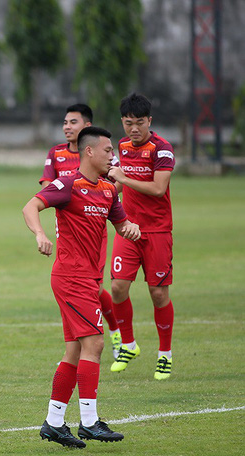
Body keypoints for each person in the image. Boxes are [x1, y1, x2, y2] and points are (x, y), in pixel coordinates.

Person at [23, 126, 141, 448]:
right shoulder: (68, 185)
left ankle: (54, 422)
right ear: (89, 152)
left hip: (89, 279)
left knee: (75, 349)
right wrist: (40, 234)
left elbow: (121, 223)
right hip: (71, 277)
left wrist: (130, 229)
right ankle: (89, 422)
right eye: (107, 151)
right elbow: (30, 206)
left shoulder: (107, 190)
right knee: (95, 345)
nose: (111, 157)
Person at [40, 104, 122, 359]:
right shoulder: (56, 153)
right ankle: (85, 342)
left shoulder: (103, 152)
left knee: (93, 287)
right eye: (65, 122)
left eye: (72, 122)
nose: (66, 127)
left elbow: (116, 182)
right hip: (66, 223)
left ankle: (114, 332)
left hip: (94, 225)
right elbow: (46, 186)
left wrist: (94, 198)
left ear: (86, 127)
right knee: (78, 283)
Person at [107, 93, 176, 380]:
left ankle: (164, 354)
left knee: (158, 293)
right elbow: (121, 185)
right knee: (118, 287)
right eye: (127, 123)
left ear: (149, 120)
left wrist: (122, 178)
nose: (133, 129)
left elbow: (158, 189)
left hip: (158, 230)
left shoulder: (162, 150)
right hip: (128, 227)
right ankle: (129, 344)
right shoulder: (122, 146)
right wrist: (107, 191)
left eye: (139, 123)